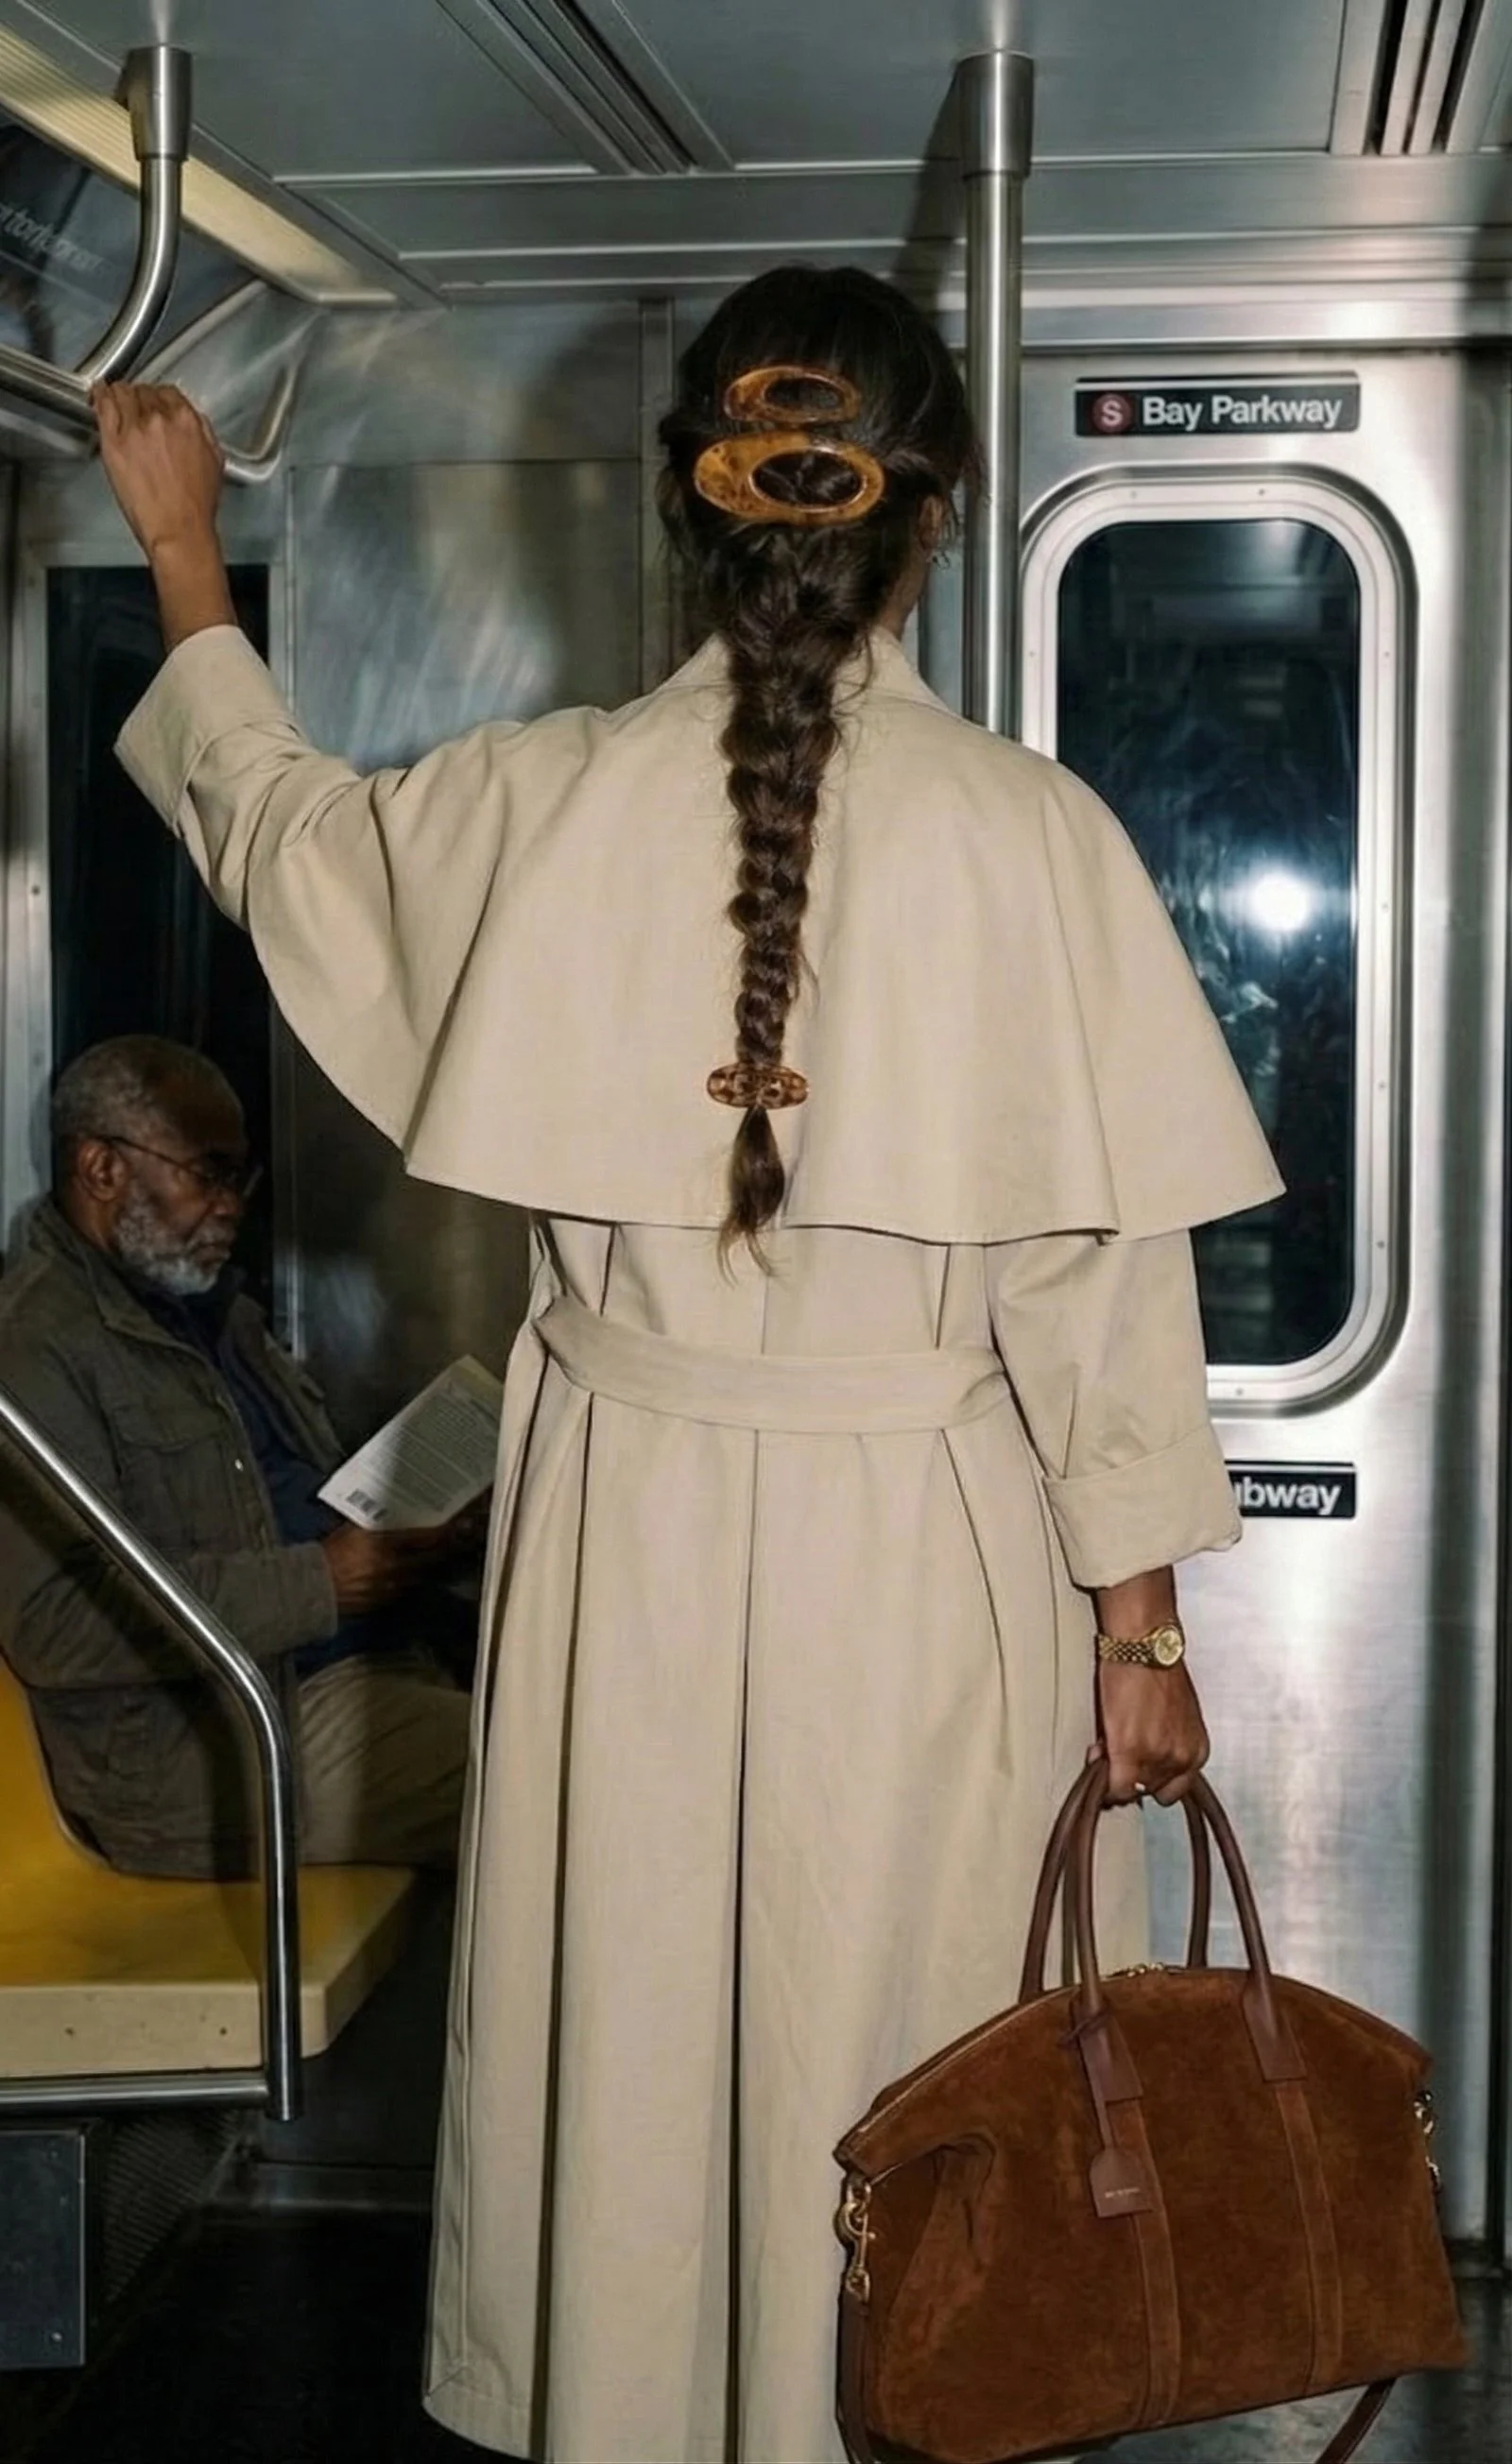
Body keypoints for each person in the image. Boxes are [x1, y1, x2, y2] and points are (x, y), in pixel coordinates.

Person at [93, 265, 1281, 2463]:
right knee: (906, 2046)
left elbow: (267, 823)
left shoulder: (526, 801)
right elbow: (1094, 1279)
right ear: (928, 516)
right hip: (919, 1548)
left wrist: (181, 549)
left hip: (618, 1524)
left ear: (689, 513)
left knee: (628, 2062)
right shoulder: (1034, 839)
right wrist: (1135, 1622)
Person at [0, 1033, 473, 1879]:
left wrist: (415, 1527)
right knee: (556, 1782)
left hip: (348, 1668)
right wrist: (320, 1582)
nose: (232, 1205)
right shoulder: (34, 1349)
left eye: (240, 1179)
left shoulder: (213, 1309)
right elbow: (55, 1625)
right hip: (217, 1739)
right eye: (208, 1174)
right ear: (101, 1170)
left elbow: (278, 1498)